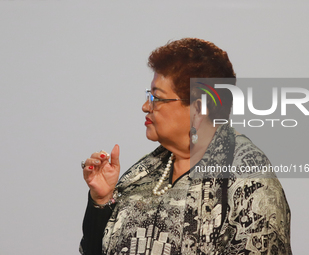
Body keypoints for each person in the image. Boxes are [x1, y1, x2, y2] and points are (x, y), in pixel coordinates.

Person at [79, 38, 292, 255]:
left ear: (198, 109)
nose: (145, 106)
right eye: (148, 95)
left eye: (157, 98)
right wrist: (102, 202)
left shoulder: (248, 178)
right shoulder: (143, 174)